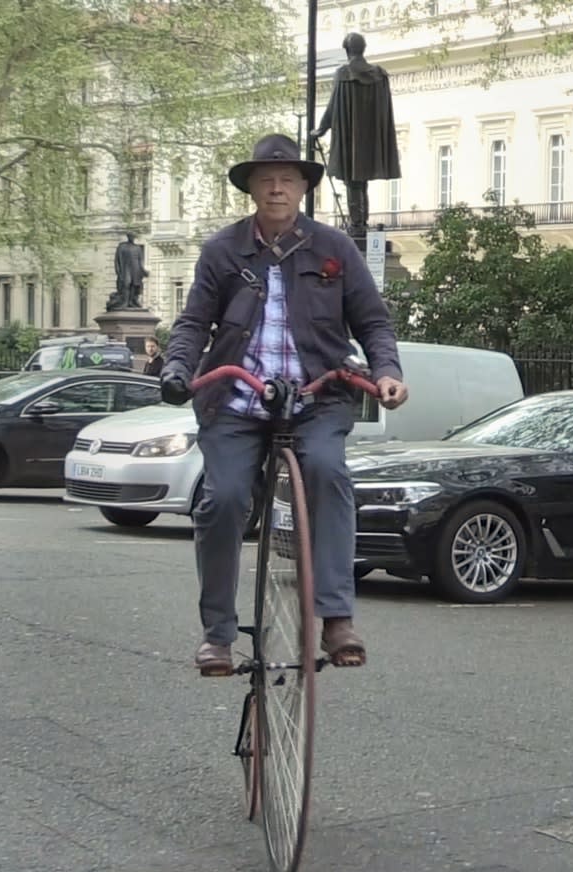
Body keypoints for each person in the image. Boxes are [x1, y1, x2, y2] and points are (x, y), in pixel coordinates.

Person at [160, 133, 408, 676]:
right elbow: (193, 324)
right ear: (251, 187)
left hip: (316, 399)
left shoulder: (334, 249)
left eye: (288, 179)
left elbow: (372, 322)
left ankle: (337, 618)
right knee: (221, 498)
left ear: (302, 187)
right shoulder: (222, 251)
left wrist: (386, 371)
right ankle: (218, 634)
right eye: (266, 179)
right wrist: (178, 369)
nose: (277, 188)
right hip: (237, 400)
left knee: (327, 473)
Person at [311, 32, 400, 238]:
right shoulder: (379, 75)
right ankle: (361, 222)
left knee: (353, 182)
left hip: (351, 138)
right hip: (371, 139)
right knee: (363, 182)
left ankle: (357, 225)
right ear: (363, 49)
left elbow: (333, 106)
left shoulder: (344, 73)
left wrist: (321, 130)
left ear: (347, 50)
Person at [107, 232, 149, 311]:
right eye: (130, 236)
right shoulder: (122, 246)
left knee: (134, 285)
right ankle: (125, 302)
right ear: (128, 237)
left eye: (133, 236)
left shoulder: (137, 248)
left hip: (135, 269)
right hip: (126, 268)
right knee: (126, 284)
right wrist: (118, 271)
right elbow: (117, 260)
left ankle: (131, 302)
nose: (132, 237)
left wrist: (143, 271)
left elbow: (140, 262)